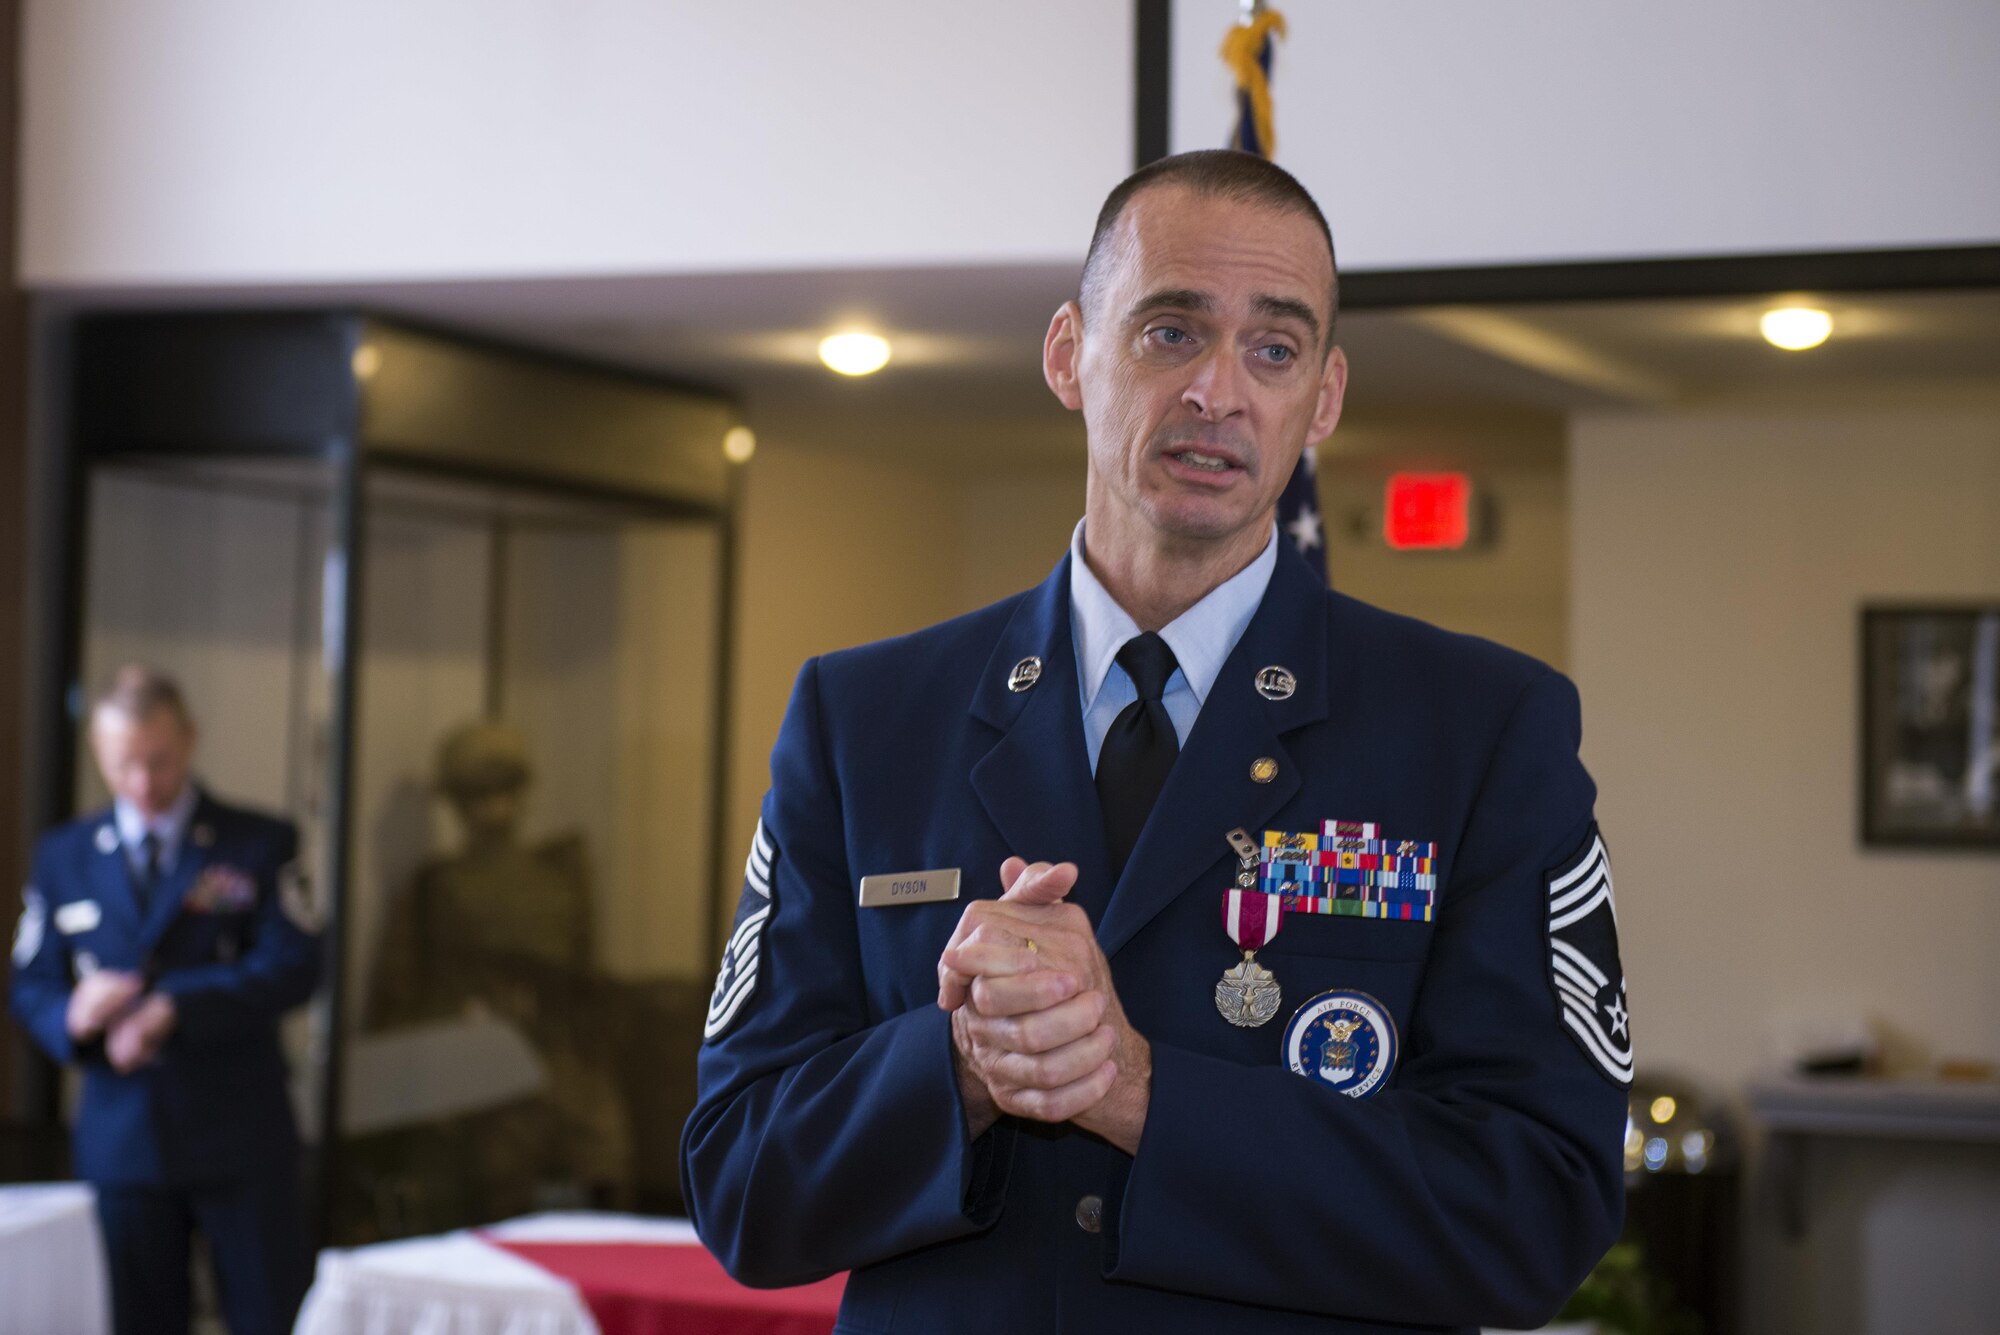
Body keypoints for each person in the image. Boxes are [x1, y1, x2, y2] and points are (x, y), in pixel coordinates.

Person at [681, 151, 1632, 1333]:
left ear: (1322, 398)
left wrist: (1131, 1090)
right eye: (1170, 332)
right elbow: (740, 1185)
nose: (1217, 392)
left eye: (1272, 350)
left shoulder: (1481, 729)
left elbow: (1538, 1212)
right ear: (1068, 354)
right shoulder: (862, 719)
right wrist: (967, 1067)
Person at [9, 666, 320, 1335]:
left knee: (272, 1316)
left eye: (160, 761)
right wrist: (73, 1013)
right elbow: (30, 983)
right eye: (126, 766)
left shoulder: (258, 843)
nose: (145, 784)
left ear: (189, 740)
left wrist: (175, 1005)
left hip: (238, 1129)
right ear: (99, 751)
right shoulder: (63, 855)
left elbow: (296, 963)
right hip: (124, 1138)